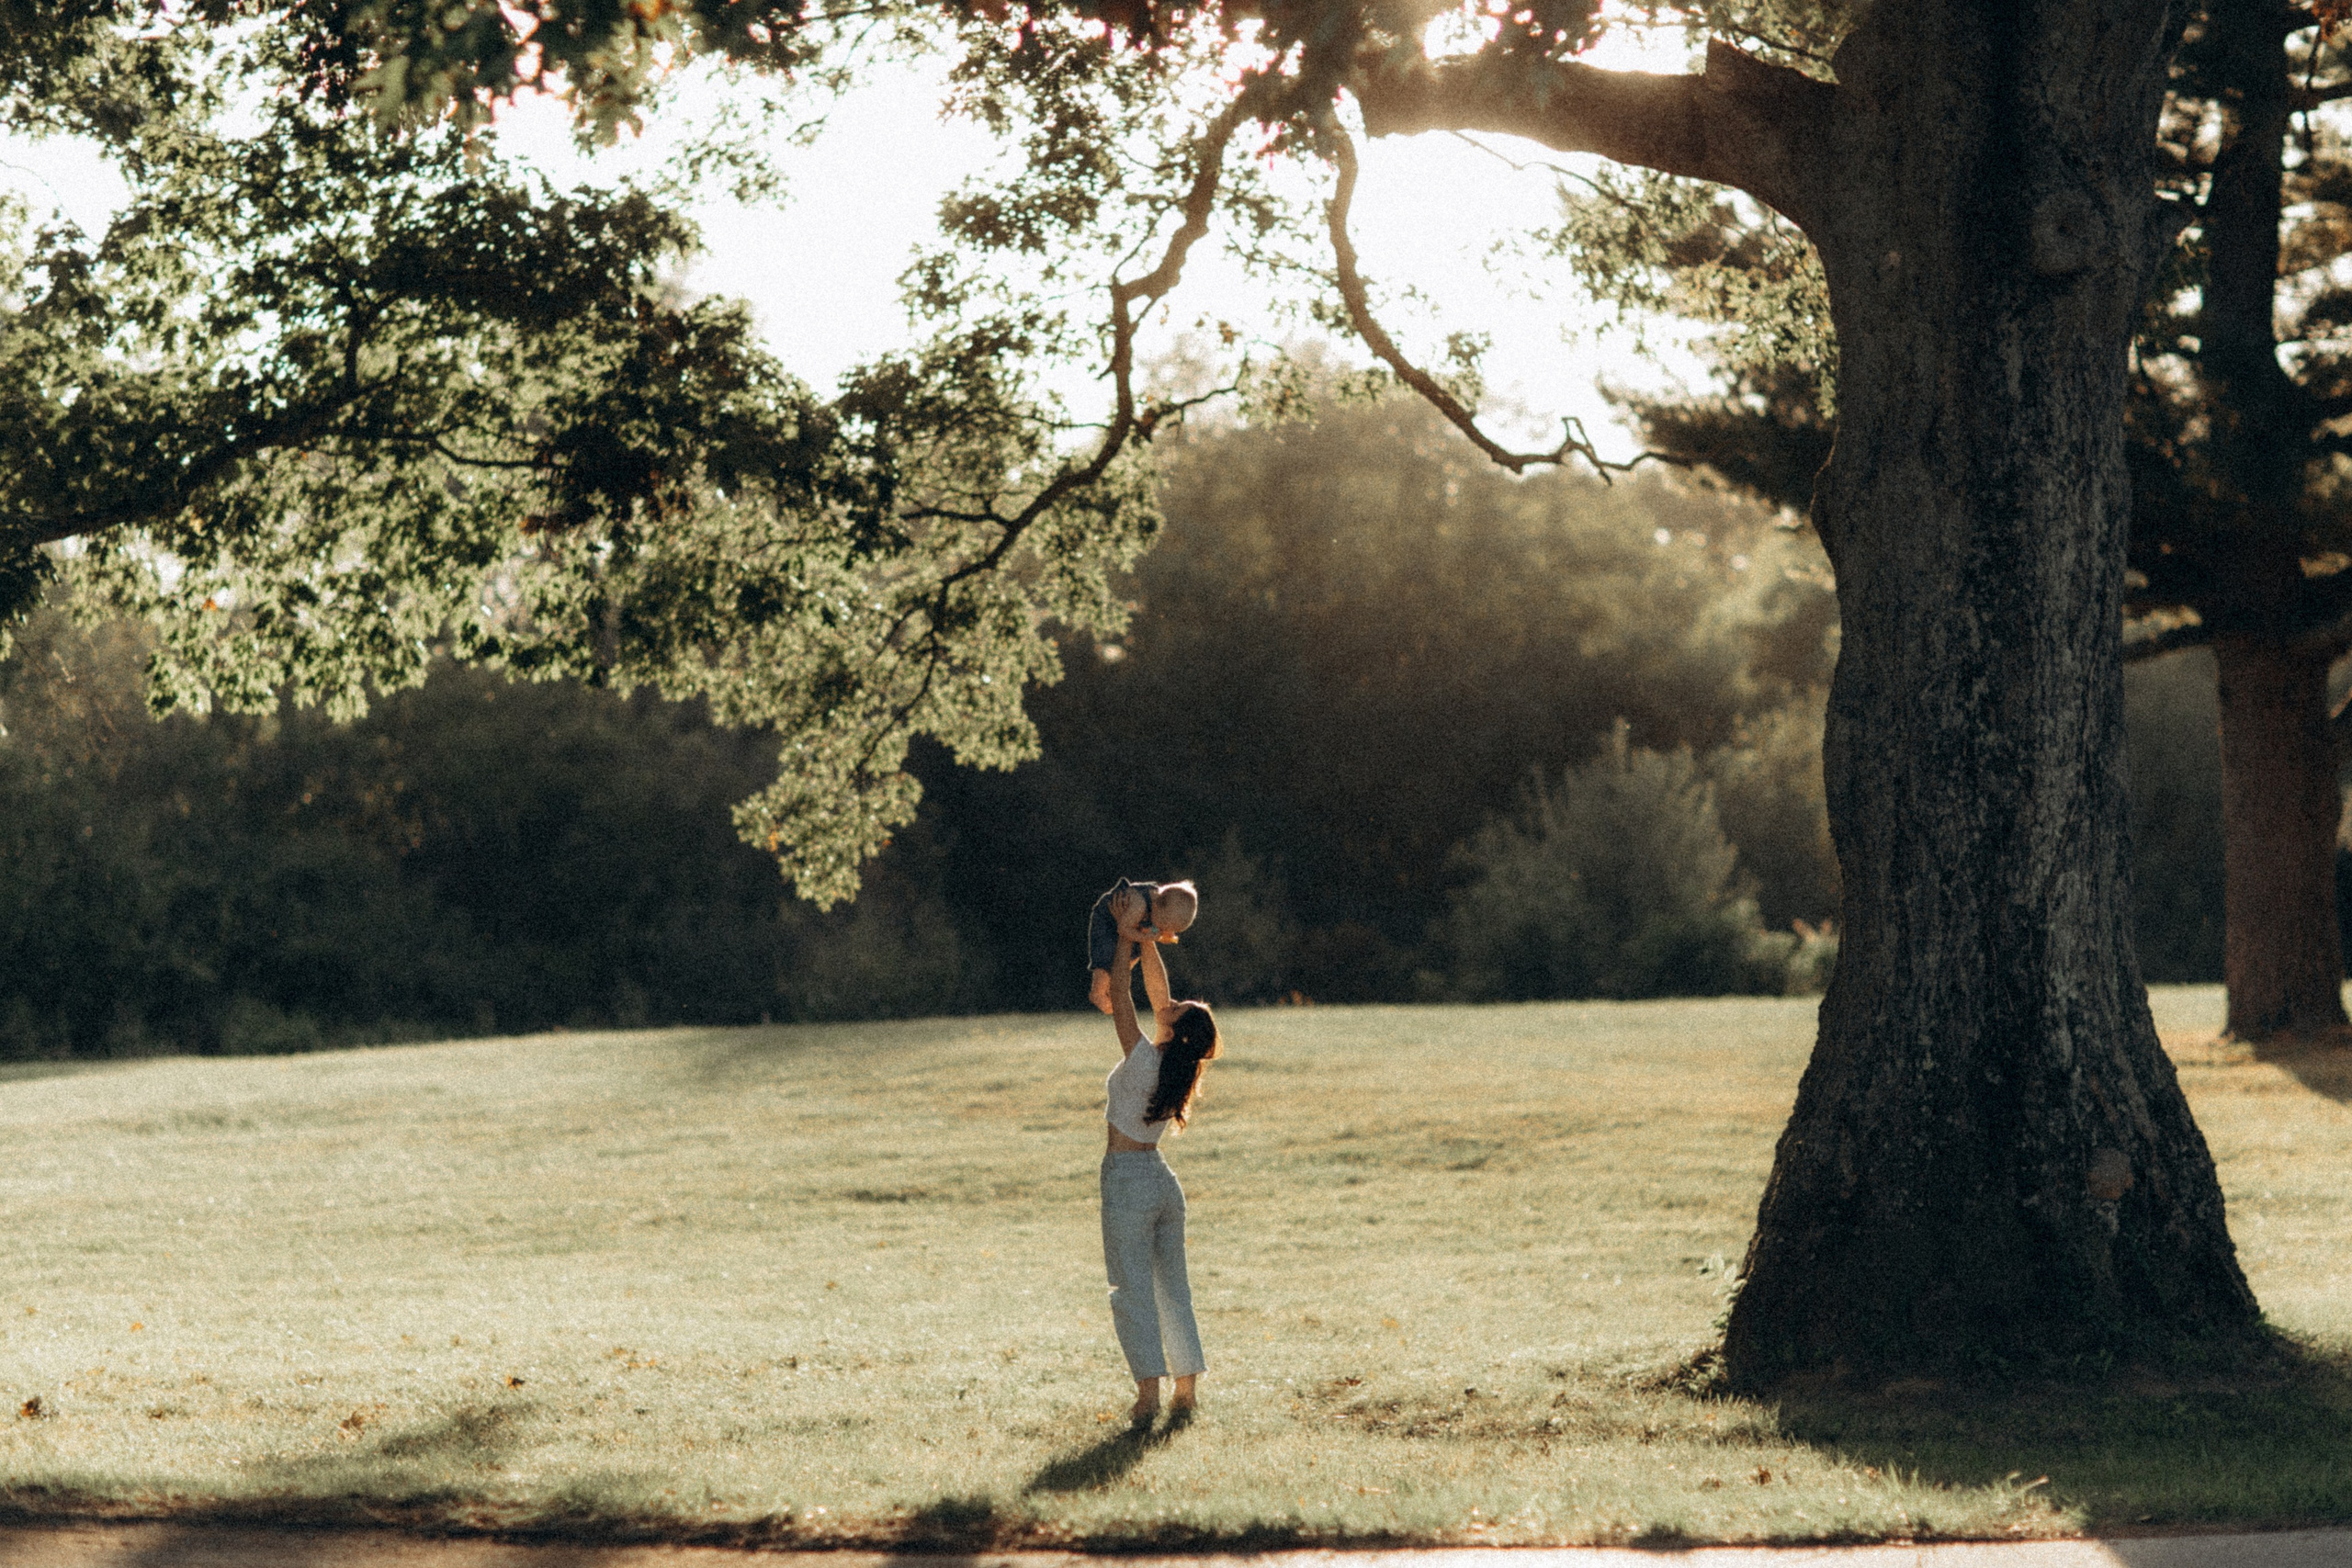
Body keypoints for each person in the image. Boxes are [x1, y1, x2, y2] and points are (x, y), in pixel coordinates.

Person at [1100, 923, 1220, 1427]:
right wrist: (1148, 939)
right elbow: (1156, 992)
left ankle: (1148, 1395)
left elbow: (1127, 995)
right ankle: (1185, 1391)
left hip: (1127, 1179)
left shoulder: (1144, 1057)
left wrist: (1125, 936)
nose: (1167, 1004)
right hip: (1162, 1182)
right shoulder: (1176, 1066)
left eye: (1173, 1009)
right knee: (1173, 1288)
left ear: (1174, 1028)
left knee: (1131, 1288)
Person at [1086, 878, 1198, 1015]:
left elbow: (1150, 927)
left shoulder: (1160, 908)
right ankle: (1097, 992)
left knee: (1135, 953)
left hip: (1130, 923)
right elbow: (1123, 929)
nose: (1163, 931)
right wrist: (1146, 937)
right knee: (1107, 955)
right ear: (1156, 906)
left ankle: (1112, 981)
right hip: (1108, 921)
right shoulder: (1139, 905)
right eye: (1162, 927)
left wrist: (1160, 934)